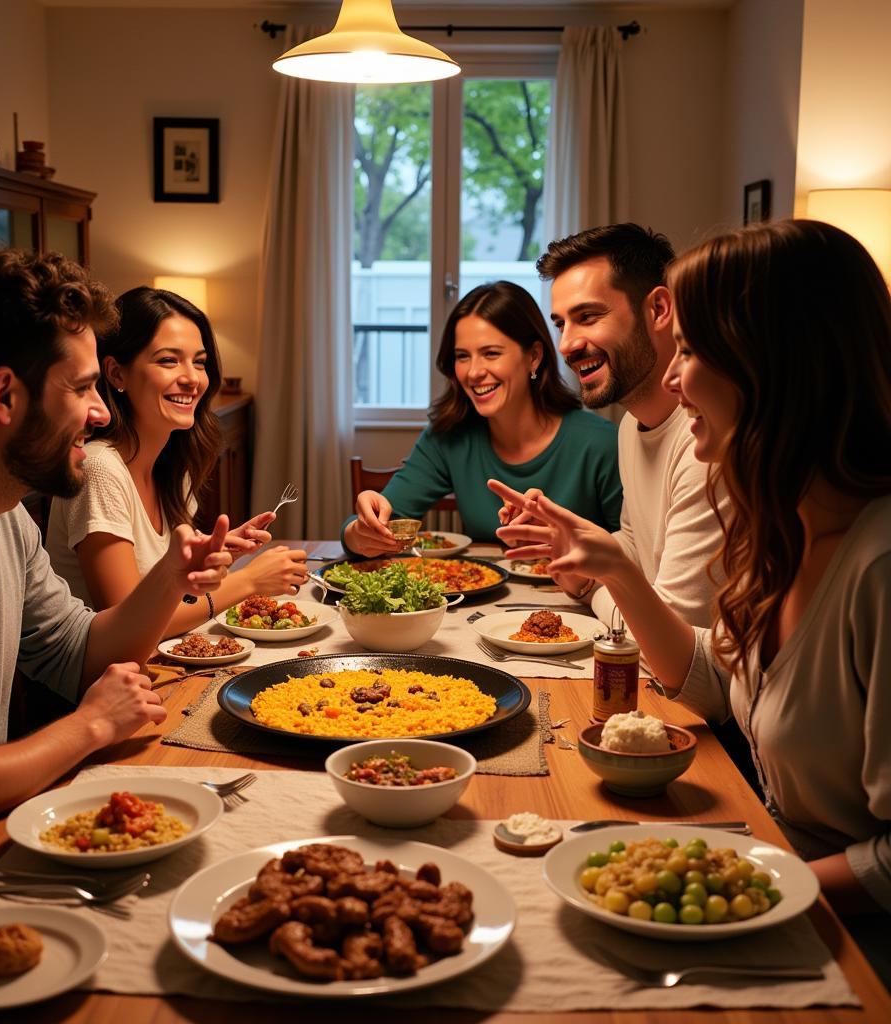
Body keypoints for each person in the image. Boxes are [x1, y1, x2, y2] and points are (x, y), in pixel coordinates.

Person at [497, 220, 891, 984]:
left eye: (692, 351)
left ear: (775, 364)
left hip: (845, 941)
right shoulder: (778, 537)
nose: (674, 382)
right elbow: (710, 685)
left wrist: (752, 879)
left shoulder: (877, 568)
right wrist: (614, 567)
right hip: (766, 868)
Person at [0, 247, 231, 960]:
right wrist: (90, 727)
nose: (101, 414)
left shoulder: (1, 512)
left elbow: (79, 652)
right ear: (6, 396)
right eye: (85, 389)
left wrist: (167, 578)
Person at [496, 224, 725, 629]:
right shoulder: (630, 425)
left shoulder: (705, 442)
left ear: (658, 310)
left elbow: (673, 633)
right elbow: (637, 546)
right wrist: (568, 540)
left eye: (587, 316)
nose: (566, 344)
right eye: (561, 324)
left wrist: (589, 588)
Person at [46, 287, 309, 636]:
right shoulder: (98, 468)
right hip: (96, 686)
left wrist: (212, 556)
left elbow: (170, 590)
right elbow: (128, 624)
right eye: (169, 360)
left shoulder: (171, 467)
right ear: (116, 373)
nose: (192, 378)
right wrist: (249, 581)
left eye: (199, 362)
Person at [343, 280, 622, 556]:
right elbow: (377, 524)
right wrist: (361, 532)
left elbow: (637, 553)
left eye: (491, 353)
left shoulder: (601, 443)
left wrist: (563, 541)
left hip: (585, 598)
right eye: (462, 356)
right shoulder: (448, 436)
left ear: (534, 357)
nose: (474, 372)